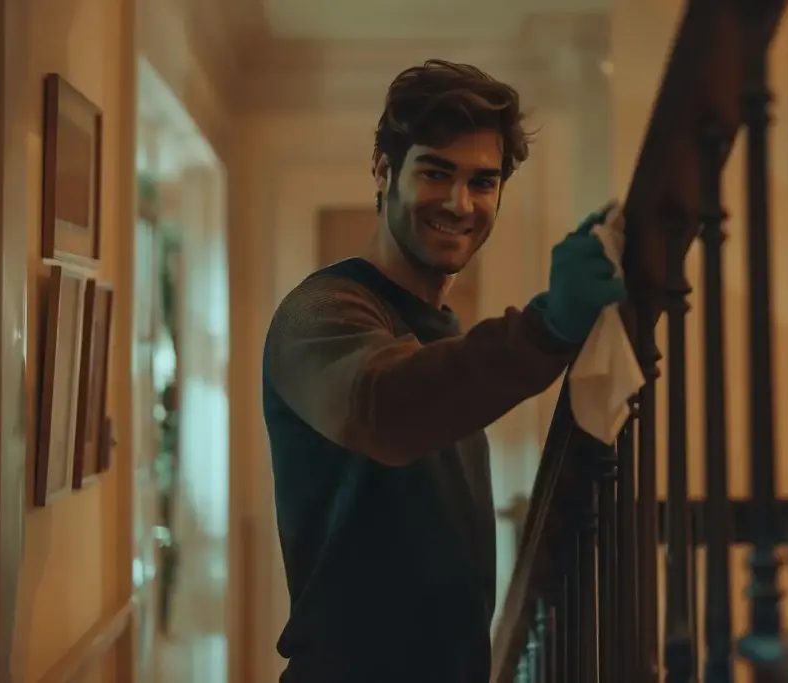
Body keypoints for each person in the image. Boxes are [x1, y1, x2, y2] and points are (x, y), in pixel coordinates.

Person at [262, 59, 628, 683]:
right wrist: (547, 327)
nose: (460, 203)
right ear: (384, 172)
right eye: (436, 172)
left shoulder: (443, 336)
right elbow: (383, 406)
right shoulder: (319, 312)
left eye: (483, 182)